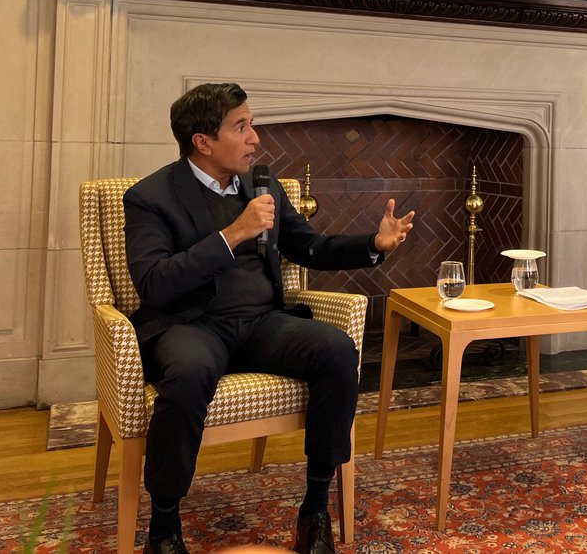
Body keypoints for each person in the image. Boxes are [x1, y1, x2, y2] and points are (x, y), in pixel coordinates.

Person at [124, 83, 415, 554]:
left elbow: (309, 247)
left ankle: (314, 511)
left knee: (337, 350)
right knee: (188, 372)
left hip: (261, 323)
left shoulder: (262, 184)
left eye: (251, 124)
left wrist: (373, 245)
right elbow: (155, 283)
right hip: (190, 324)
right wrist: (233, 234)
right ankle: (164, 528)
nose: (255, 138)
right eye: (240, 127)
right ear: (203, 141)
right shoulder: (151, 197)